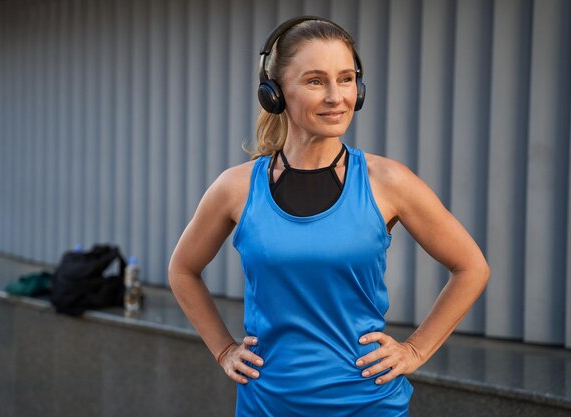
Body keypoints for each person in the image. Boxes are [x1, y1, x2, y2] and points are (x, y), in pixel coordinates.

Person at [168, 16, 489, 417]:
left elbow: (471, 266)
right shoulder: (235, 188)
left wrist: (414, 350)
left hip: (366, 404)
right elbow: (182, 269)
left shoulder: (387, 181)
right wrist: (223, 350)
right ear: (275, 93)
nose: (337, 96)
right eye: (316, 81)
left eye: (347, 78)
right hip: (267, 405)